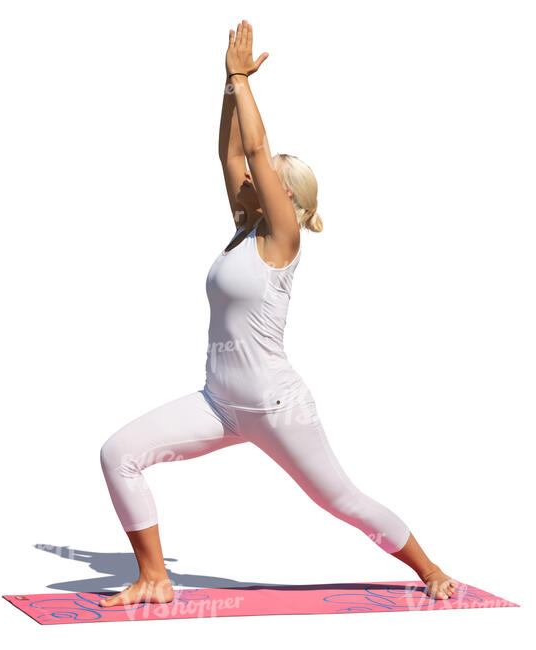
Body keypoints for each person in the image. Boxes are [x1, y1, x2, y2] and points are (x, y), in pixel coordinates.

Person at [98, 20, 456, 607]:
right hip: (218, 401)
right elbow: (232, 149)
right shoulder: (242, 233)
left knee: (342, 501)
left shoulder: (282, 239)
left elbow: (256, 150)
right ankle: (155, 577)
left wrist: (243, 78)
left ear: (282, 196)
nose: (243, 179)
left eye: (258, 180)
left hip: (274, 404)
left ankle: (431, 567)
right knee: (118, 454)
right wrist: (226, 86)